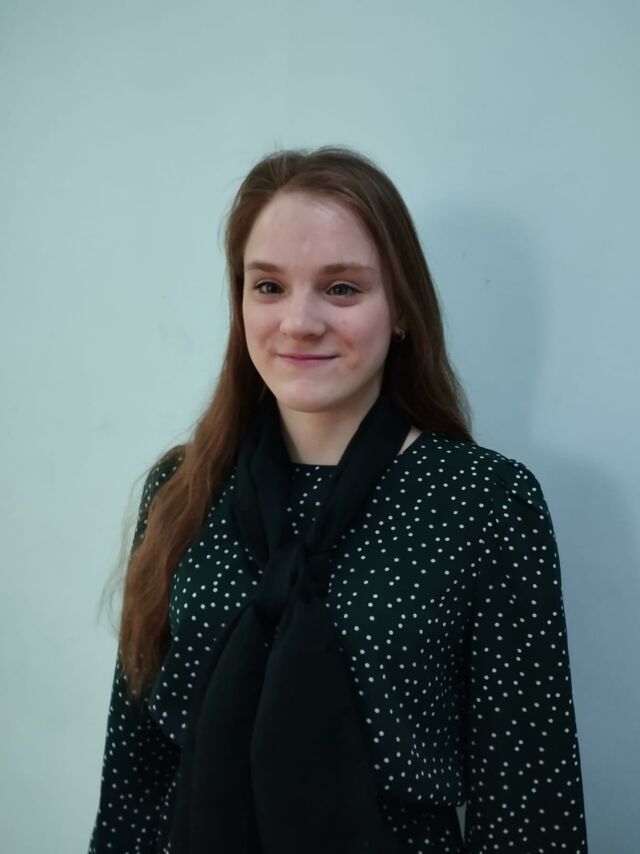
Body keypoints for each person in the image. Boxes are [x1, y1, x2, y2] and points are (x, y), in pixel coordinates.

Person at [88, 145, 589, 853]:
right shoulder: (181, 488)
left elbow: (529, 805)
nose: (299, 321)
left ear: (402, 308)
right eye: (269, 286)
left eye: (342, 288)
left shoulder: (485, 502)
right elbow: (135, 773)